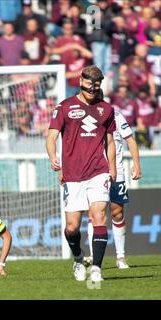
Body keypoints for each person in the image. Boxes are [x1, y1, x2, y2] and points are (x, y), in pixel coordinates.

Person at [46, 66, 117, 282]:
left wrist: (112, 168)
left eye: (96, 87)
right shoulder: (65, 107)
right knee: (71, 227)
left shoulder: (106, 109)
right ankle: (78, 259)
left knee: (99, 217)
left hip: (98, 170)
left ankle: (96, 268)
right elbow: (51, 137)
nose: (92, 91)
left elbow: (110, 141)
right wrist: (53, 157)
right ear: (81, 81)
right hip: (73, 174)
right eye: (89, 86)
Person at [85, 110, 142, 269]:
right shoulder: (86, 116)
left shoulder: (115, 115)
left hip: (117, 173)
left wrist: (137, 164)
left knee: (117, 212)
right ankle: (93, 255)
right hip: (95, 173)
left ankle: (121, 257)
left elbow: (130, 140)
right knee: (94, 213)